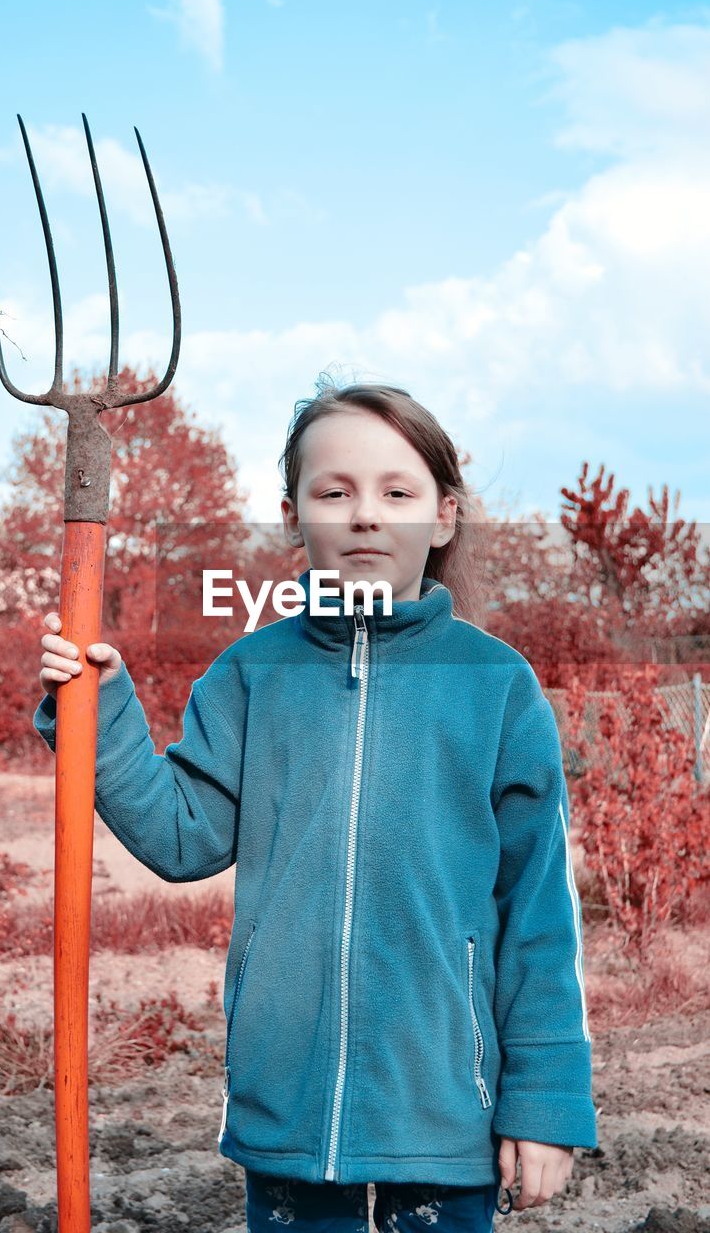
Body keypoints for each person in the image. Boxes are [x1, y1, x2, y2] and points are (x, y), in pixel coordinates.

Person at [33, 379, 598, 1232]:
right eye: (333, 491)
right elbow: (181, 835)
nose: (364, 514)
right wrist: (98, 713)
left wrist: (545, 1103)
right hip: (287, 1098)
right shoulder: (251, 673)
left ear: (442, 517)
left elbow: (538, 914)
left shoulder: (496, 687)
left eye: (395, 492)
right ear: (293, 513)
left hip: (444, 1105)